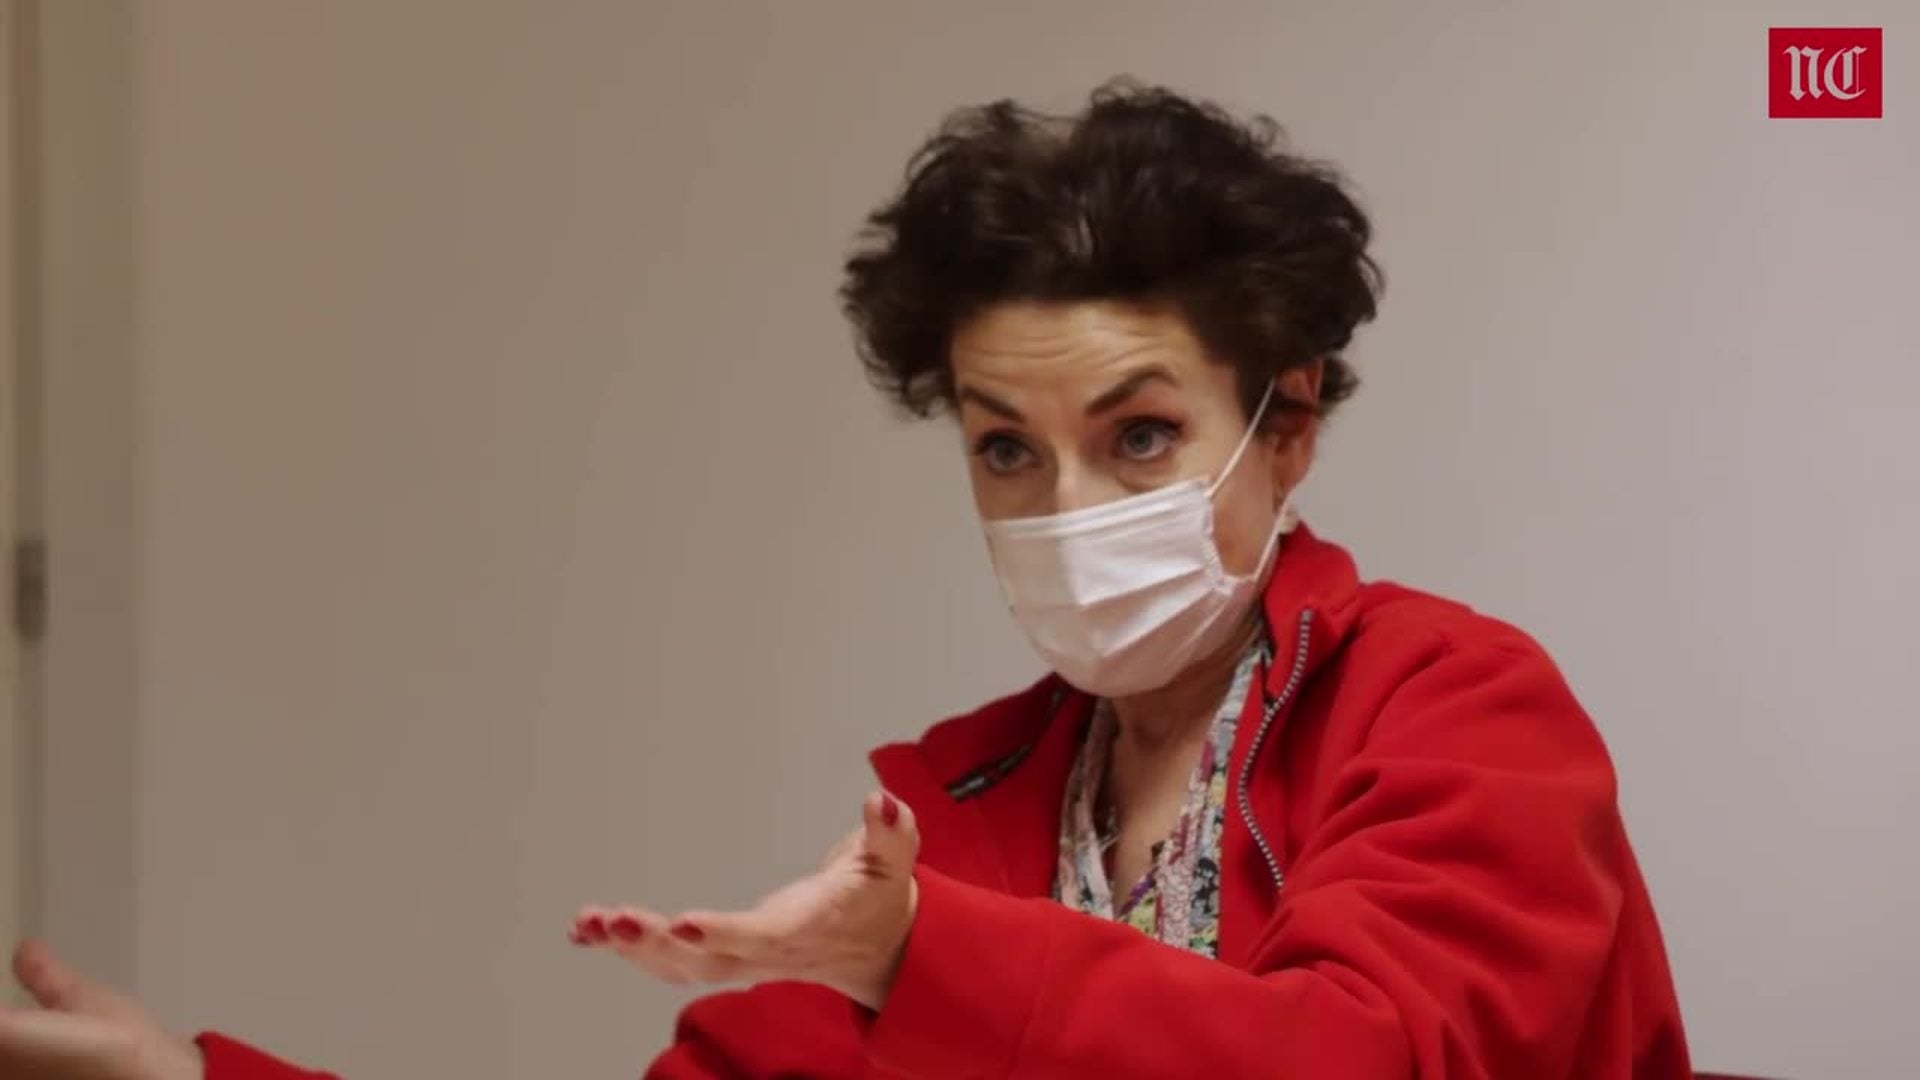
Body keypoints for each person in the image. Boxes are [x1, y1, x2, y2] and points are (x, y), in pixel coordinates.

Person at [2, 82, 1692, 1078]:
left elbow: (1366, 1061)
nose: (1063, 506)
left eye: (1140, 435)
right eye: (1005, 448)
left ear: (1290, 421)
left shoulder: (1455, 707)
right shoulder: (952, 808)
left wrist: (919, 960)